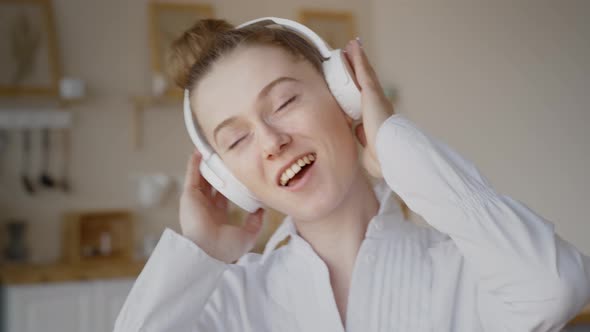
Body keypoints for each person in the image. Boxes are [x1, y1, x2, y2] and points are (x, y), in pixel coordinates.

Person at [114, 18, 590, 331]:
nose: (270, 141)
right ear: (228, 179)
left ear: (345, 97)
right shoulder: (233, 303)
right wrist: (199, 252)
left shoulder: (466, 273)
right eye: (236, 140)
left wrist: (400, 151)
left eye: (284, 102)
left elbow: (558, 287)